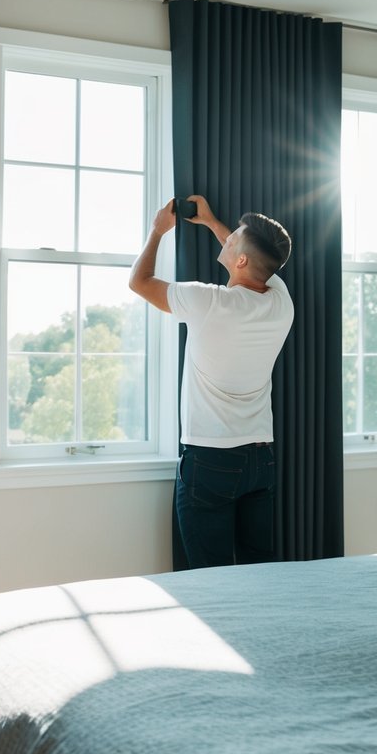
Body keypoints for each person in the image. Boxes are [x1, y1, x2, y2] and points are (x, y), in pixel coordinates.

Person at [129, 194, 294, 569]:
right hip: (260, 457)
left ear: (239, 259)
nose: (230, 236)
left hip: (210, 460)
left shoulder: (208, 302)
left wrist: (158, 232)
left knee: (209, 576)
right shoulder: (281, 301)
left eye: (235, 236)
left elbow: (140, 282)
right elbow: (254, 264)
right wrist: (214, 223)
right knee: (261, 570)